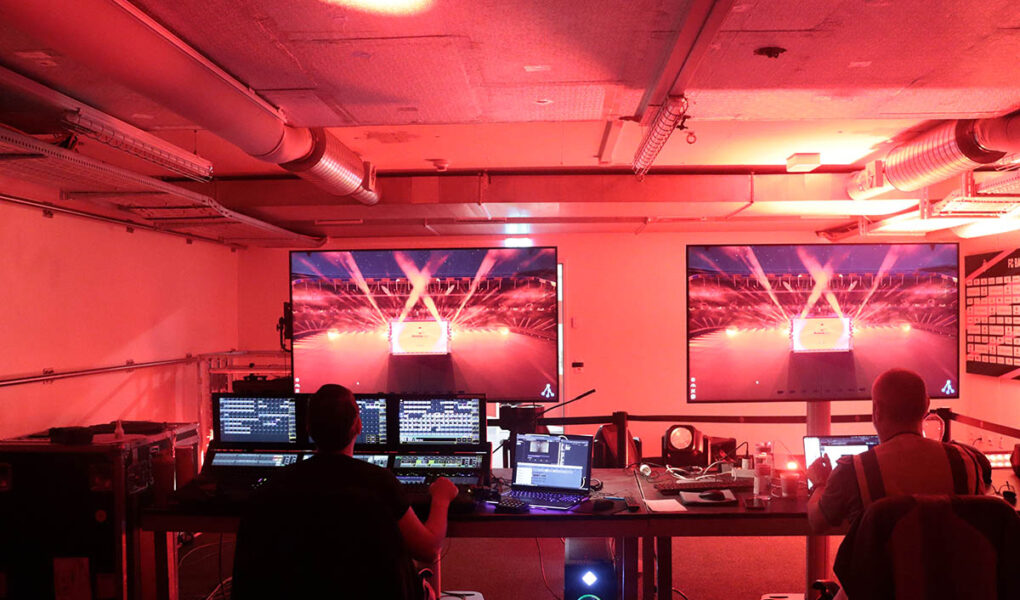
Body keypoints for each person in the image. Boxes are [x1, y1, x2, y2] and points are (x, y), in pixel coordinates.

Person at [232, 384, 458, 599]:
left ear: (309, 429)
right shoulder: (378, 483)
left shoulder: (272, 487)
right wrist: (441, 498)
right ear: (358, 426)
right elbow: (428, 550)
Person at [806, 368, 992, 598]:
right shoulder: (968, 464)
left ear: (876, 410)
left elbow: (817, 522)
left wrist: (818, 484)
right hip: (952, 590)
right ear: (926, 406)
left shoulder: (853, 470)